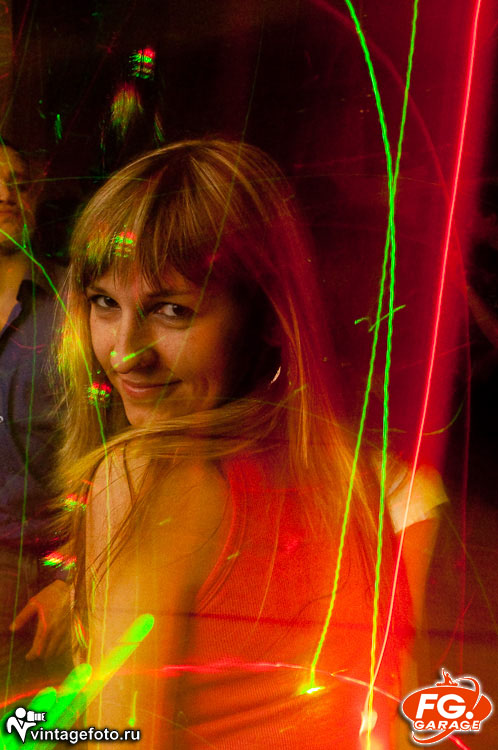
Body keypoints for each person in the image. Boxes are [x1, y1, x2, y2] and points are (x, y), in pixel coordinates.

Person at [56, 139, 444, 748]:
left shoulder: (149, 474)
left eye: (172, 311)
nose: (125, 352)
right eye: (104, 302)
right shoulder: (358, 478)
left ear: (268, 318)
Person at [0, 140, 69, 704]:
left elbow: (127, 449)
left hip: (25, 576)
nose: (5, 193)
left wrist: (72, 581)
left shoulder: (79, 305)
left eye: (17, 179)